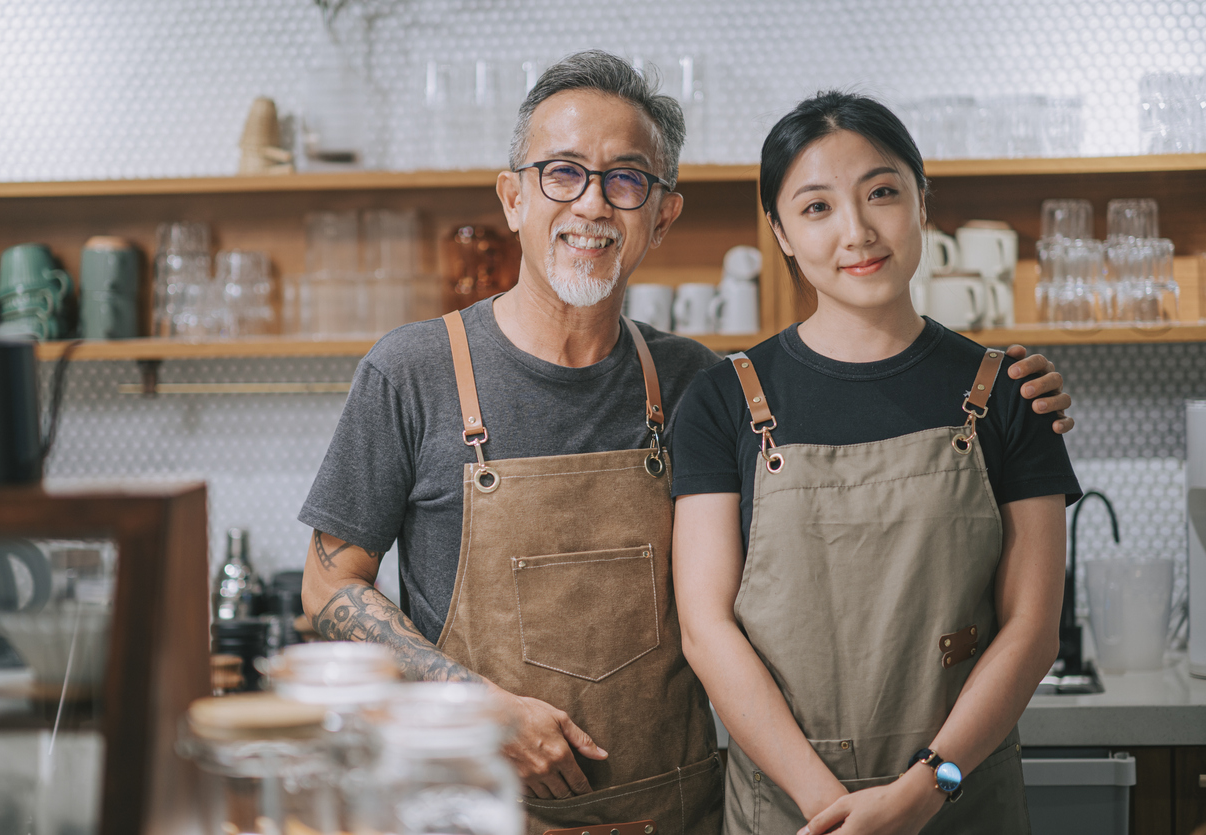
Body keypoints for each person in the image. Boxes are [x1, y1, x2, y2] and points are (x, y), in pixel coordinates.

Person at [299, 54, 1072, 835]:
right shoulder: (411, 372)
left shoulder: (693, 383)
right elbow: (328, 588)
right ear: (513, 197)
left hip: (677, 811)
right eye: (562, 172)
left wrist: (1013, 389)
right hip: (476, 805)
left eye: (626, 179)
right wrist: (476, 703)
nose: (593, 205)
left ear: (663, 215)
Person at [671, 91, 1082, 835]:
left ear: (923, 203)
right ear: (781, 233)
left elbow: (1031, 629)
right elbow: (705, 629)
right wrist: (829, 808)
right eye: (816, 207)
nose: (856, 232)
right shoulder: (722, 400)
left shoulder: (1009, 394)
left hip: (962, 799)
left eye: (881, 193)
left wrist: (925, 789)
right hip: (790, 813)